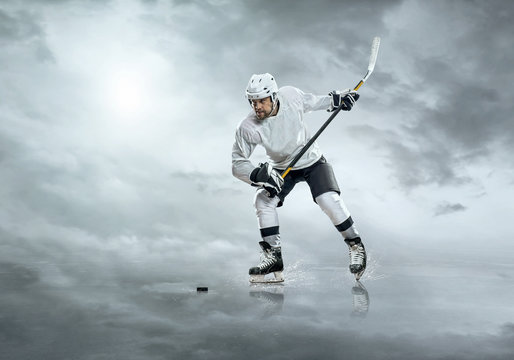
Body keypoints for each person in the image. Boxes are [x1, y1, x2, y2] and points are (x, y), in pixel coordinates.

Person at [232, 73, 366, 283]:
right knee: (262, 200)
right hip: (282, 169)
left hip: (311, 160)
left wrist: (338, 99)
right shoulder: (248, 127)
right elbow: (237, 163)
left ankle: (355, 244)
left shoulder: (291, 96)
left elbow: (315, 101)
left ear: (274, 97)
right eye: (253, 101)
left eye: (261, 101)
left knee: (327, 199)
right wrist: (258, 175)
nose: (256, 106)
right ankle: (273, 257)